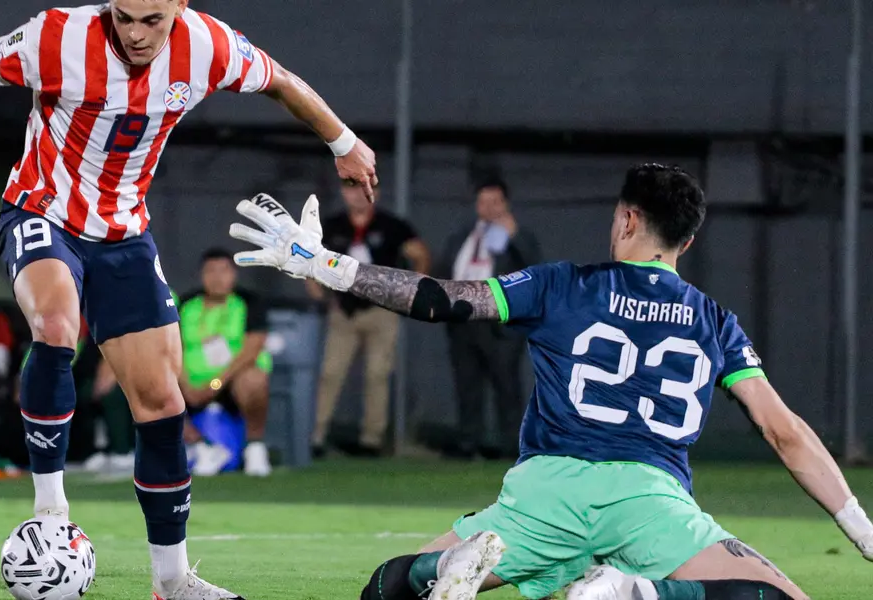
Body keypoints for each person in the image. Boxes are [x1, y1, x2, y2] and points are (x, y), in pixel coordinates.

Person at [0, 1, 376, 597]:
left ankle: (172, 581)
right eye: (124, 17)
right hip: (41, 212)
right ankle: (51, 516)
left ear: (179, 9)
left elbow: (282, 83)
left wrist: (343, 141)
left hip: (124, 235)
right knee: (59, 326)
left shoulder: (208, 46)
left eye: (152, 21)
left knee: (163, 404)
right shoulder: (56, 36)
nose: (137, 34)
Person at [227, 167, 873, 600]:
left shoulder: (563, 283)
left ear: (626, 220)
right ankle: (644, 592)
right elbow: (783, 433)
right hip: (650, 502)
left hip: (542, 496)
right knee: (776, 598)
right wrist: (862, 530)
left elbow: (442, 299)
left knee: (388, 587)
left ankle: (440, 570)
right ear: (689, 240)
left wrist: (325, 264)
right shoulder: (716, 322)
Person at [308, 184, 429, 457]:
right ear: (342, 193)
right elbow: (310, 257)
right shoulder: (333, 225)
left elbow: (419, 254)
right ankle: (315, 435)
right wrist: (319, 294)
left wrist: (411, 292)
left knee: (377, 374)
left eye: (361, 190)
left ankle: (371, 440)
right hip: (344, 310)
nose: (355, 196)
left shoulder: (392, 225)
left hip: (381, 310)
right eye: (350, 190)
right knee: (330, 373)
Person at [436, 177, 541, 459]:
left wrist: (514, 235)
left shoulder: (517, 235)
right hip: (463, 321)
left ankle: (510, 445)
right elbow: (444, 266)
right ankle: (468, 441)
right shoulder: (464, 235)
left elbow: (535, 269)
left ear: (505, 204)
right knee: (467, 385)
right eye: (483, 202)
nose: (489, 207)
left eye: (495, 202)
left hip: (499, 323)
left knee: (506, 385)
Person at [178, 247, 273, 477]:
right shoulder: (186, 304)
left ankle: (255, 447)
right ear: (202, 275)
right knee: (151, 385)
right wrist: (184, 384)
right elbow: (172, 348)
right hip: (191, 385)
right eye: (211, 271)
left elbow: (252, 349)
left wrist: (216, 384)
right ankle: (202, 447)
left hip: (229, 383)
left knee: (254, 379)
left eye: (224, 271)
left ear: (234, 275)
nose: (218, 278)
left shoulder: (249, 302)